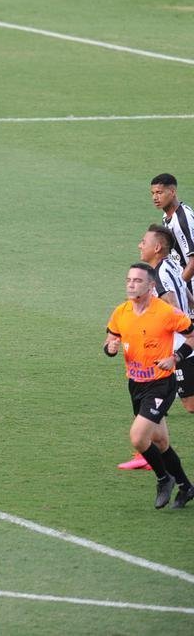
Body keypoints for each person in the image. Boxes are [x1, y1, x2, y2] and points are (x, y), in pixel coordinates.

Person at [103, 262, 194, 509]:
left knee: (138, 438)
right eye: (129, 280)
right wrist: (109, 348)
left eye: (138, 280)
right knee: (161, 443)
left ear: (151, 285)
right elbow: (111, 338)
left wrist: (175, 358)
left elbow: (192, 334)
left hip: (161, 384)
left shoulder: (165, 312)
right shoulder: (121, 312)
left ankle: (164, 479)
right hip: (136, 385)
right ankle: (186, 488)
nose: (132, 284)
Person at [118, 226, 193, 470]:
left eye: (143, 242)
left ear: (157, 247)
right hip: (178, 344)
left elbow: (171, 306)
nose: (140, 245)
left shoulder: (159, 274)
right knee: (164, 400)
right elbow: (185, 293)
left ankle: (146, 449)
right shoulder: (171, 264)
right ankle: (146, 450)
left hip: (176, 348)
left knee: (187, 402)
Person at [150, 173, 194, 291]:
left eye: (159, 192)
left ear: (172, 192)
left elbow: (193, 262)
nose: (155, 197)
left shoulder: (182, 219)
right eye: (153, 193)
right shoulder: (167, 216)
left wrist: (178, 286)